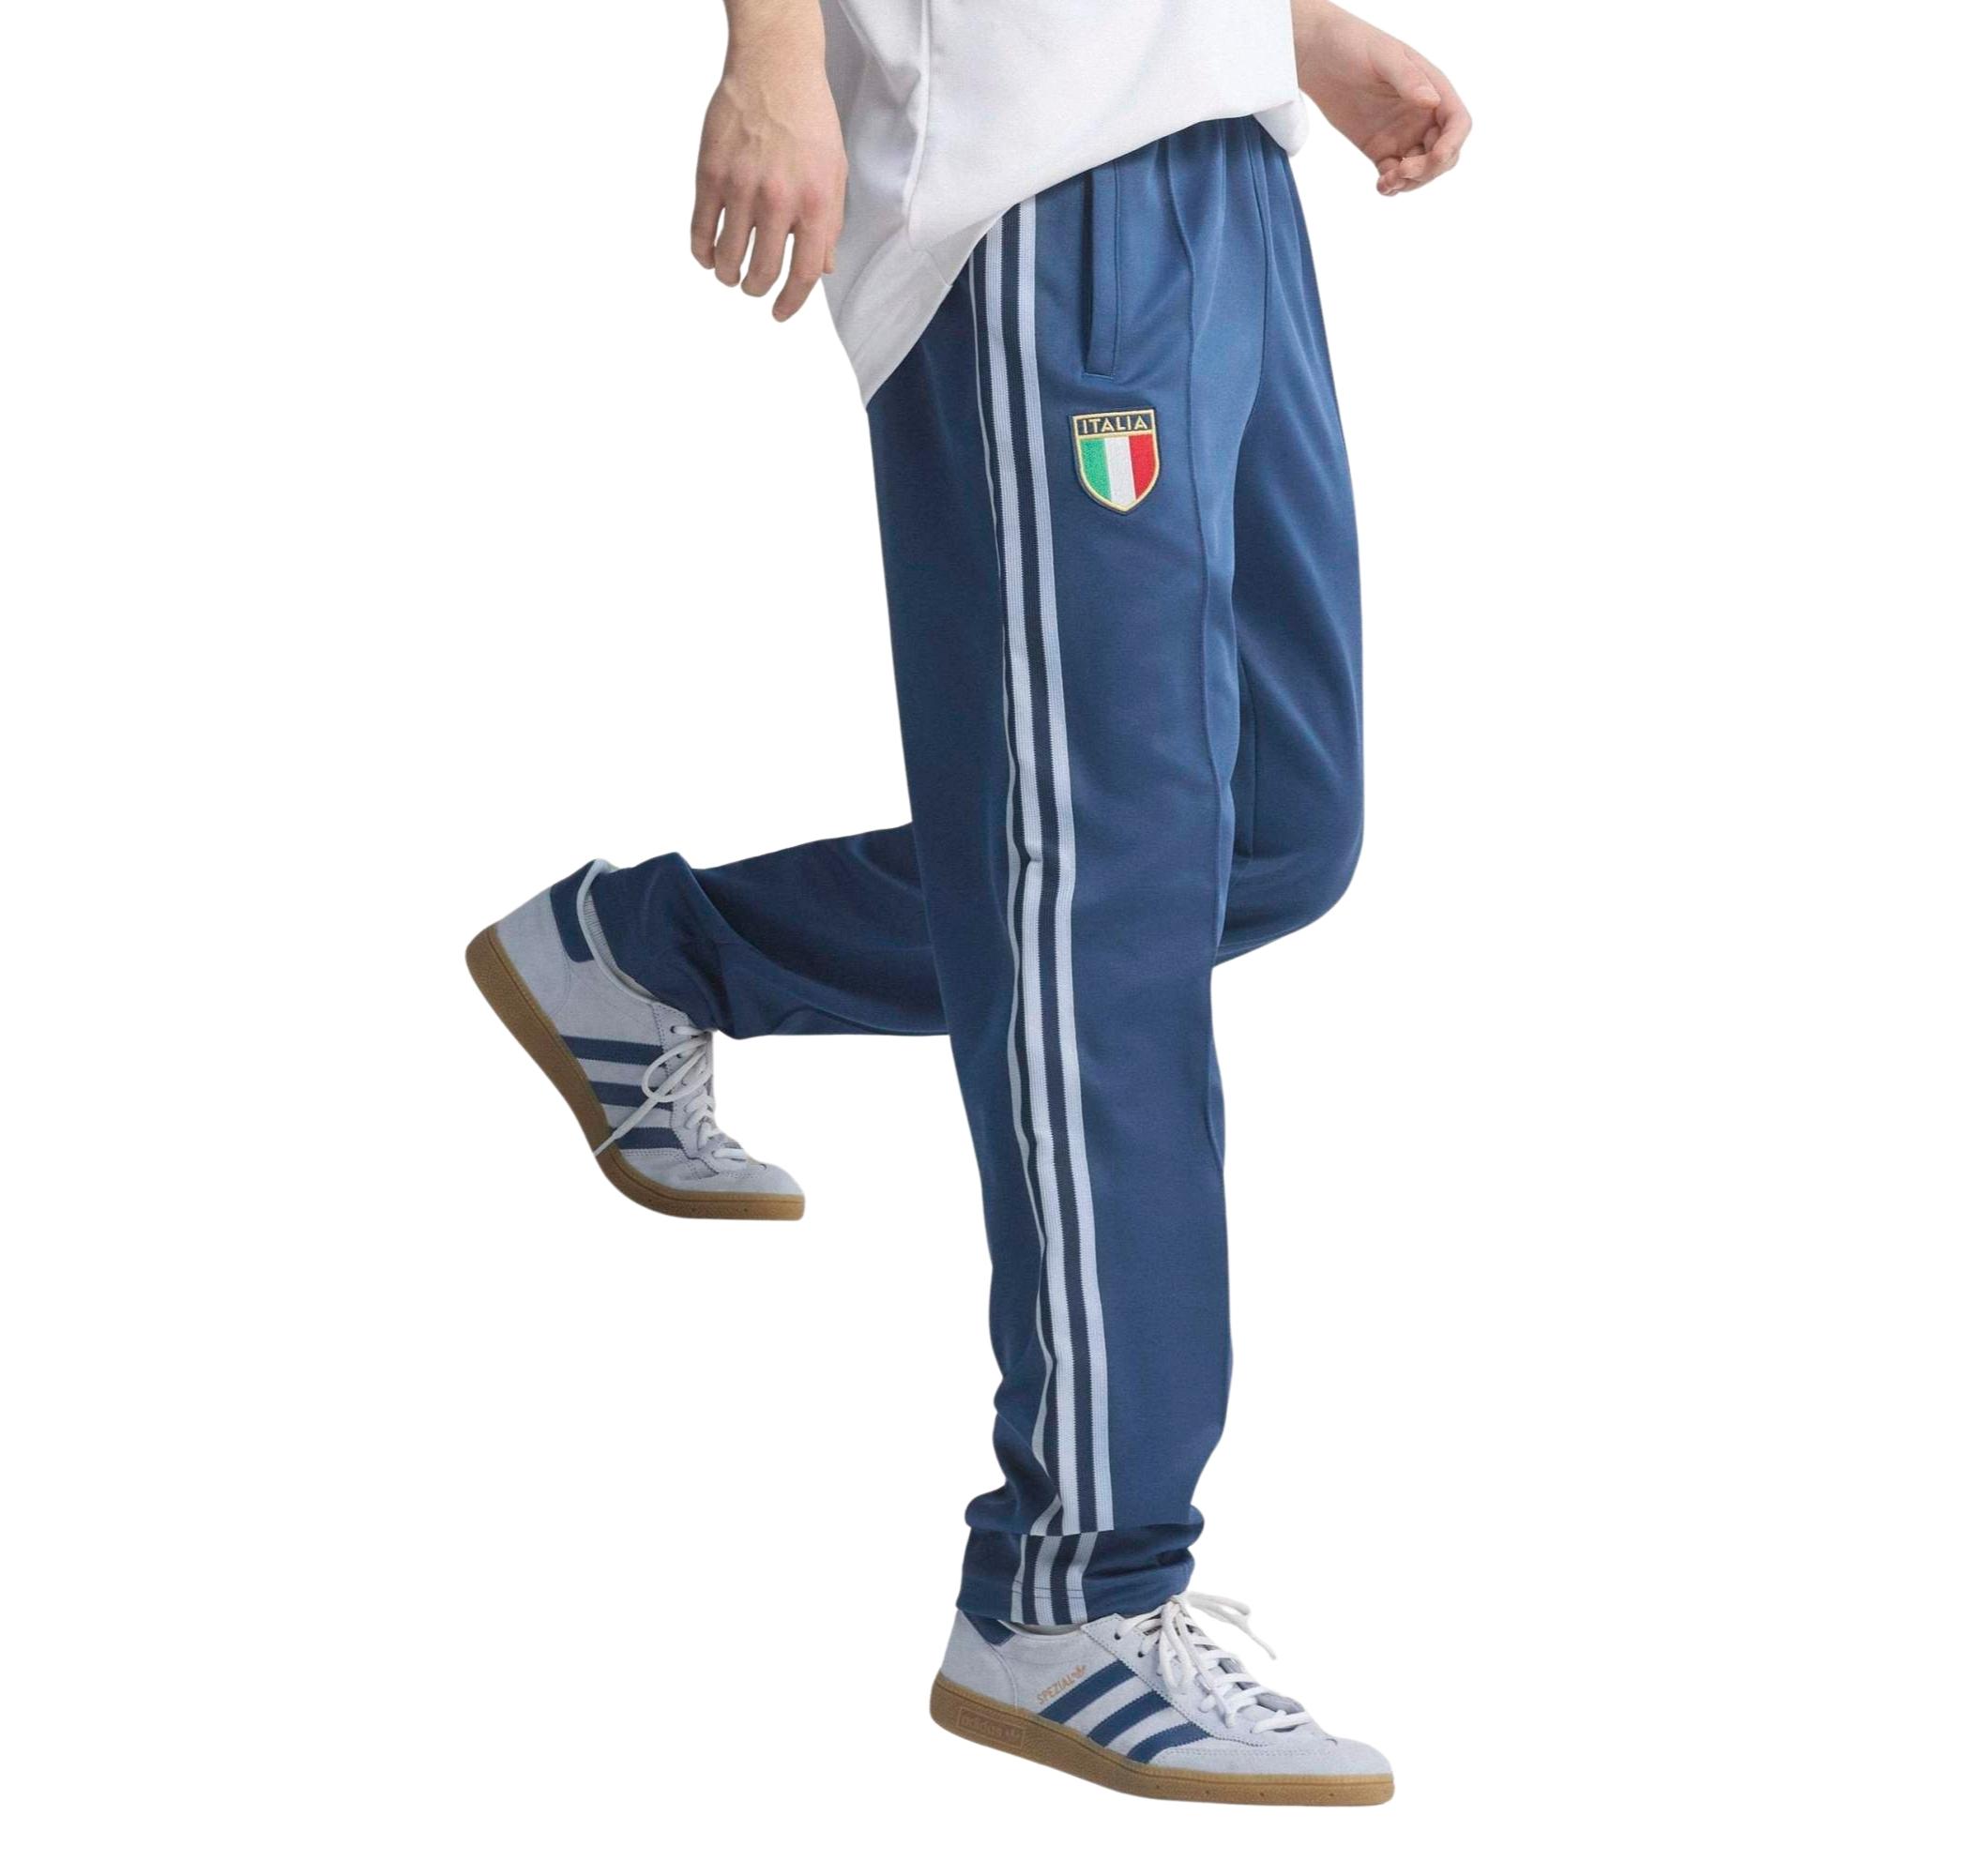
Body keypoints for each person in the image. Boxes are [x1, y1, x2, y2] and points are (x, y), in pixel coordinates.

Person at [466, 0, 1467, 1805]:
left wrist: (1294, 33)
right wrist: (773, 60)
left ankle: (644, 958)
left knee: (1271, 828)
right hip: (1032, 172)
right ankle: (1071, 1592)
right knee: (1106, 886)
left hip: (1220, 146)